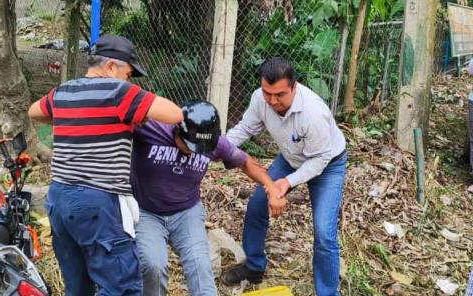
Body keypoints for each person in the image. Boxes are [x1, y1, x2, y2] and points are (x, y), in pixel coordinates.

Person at [28, 35, 184, 296]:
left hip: (58, 199)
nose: (129, 79)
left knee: (77, 286)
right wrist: (133, 107)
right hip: (97, 202)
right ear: (111, 66)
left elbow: (34, 111)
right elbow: (174, 114)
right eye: (129, 73)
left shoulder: (64, 90)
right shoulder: (119, 92)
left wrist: (70, 119)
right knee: (121, 288)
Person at [130, 100, 284, 296]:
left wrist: (270, 187)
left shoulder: (214, 142)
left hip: (186, 212)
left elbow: (246, 162)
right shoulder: (150, 128)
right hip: (146, 211)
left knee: (200, 266)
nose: (194, 151)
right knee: (153, 265)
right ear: (177, 130)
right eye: (189, 145)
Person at [222, 57, 347, 296]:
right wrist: (219, 146)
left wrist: (287, 182)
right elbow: (246, 128)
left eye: (279, 94)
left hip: (327, 164)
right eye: (267, 93)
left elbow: (320, 159)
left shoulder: (312, 112)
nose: (272, 100)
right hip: (291, 159)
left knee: (323, 232)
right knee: (258, 204)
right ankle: (254, 266)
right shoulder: (260, 99)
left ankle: (328, 293)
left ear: (294, 87)